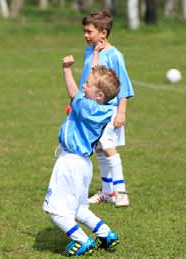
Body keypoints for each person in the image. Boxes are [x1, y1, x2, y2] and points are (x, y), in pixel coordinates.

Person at [42, 54, 120, 256]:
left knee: (54, 210)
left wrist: (67, 70)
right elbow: (88, 90)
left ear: (100, 95)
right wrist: (95, 58)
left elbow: (73, 92)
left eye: (87, 84)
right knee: (79, 210)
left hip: (70, 162)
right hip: (83, 164)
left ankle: (82, 240)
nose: (83, 86)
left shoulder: (87, 105)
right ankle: (106, 234)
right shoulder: (104, 108)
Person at [80, 10, 135, 207]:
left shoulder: (114, 55)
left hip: (109, 111)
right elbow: (87, 80)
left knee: (109, 147)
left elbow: (124, 86)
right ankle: (106, 192)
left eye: (89, 31)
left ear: (103, 33)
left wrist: (121, 112)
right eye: (84, 31)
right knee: (100, 149)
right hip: (92, 111)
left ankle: (120, 191)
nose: (85, 35)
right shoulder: (90, 52)